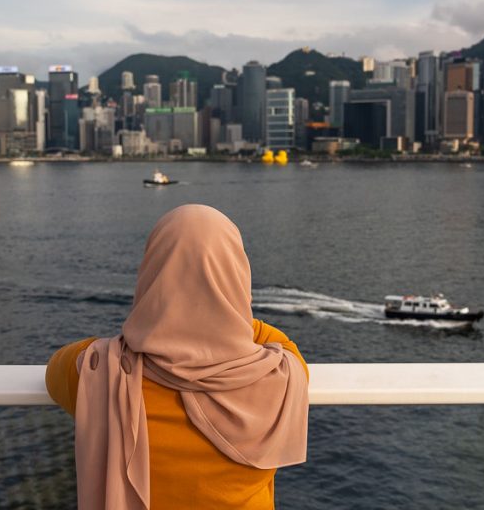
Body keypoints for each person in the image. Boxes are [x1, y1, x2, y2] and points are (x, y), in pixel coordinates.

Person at [46, 204, 310, 509]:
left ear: (150, 271)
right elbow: (283, 344)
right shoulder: (280, 379)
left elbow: (56, 368)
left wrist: (154, 320)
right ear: (238, 273)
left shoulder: (96, 371)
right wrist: (223, 315)